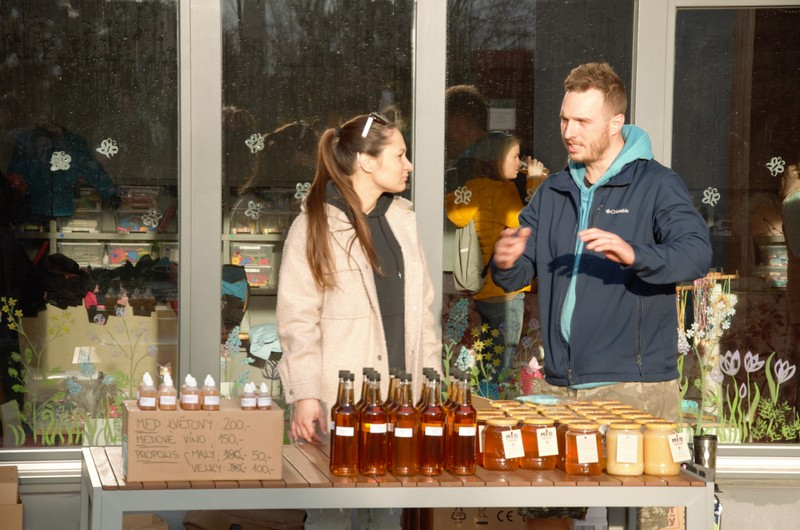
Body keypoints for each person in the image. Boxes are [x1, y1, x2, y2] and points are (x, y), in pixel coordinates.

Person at [490, 62, 712, 421]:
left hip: (633, 388)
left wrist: (634, 254)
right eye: (564, 119)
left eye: (582, 121)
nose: (569, 131)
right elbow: (516, 274)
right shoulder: (553, 191)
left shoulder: (656, 184)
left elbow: (696, 253)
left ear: (615, 123)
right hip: (560, 386)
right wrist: (506, 261)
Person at [276, 112, 441, 529]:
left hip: (401, 403)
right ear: (367, 161)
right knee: (331, 514)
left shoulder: (403, 219)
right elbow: (297, 321)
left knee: (387, 514)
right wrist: (305, 394)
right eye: (400, 155)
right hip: (342, 404)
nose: (409, 165)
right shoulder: (314, 225)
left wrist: (431, 388)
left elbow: (423, 314)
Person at [445, 131, 547, 378]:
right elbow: (527, 223)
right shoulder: (502, 191)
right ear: (496, 160)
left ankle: (482, 391)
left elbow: (455, 212)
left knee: (487, 355)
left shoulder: (473, 188)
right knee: (503, 361)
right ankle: (496, 396)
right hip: (505, 291)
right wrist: (535, 182)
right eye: (514, 156)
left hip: (484, 290)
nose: (519, 162)